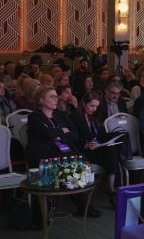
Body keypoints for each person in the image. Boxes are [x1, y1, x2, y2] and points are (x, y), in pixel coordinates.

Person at [27, 86, 101, 218]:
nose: (56, 99)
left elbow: (75, 134)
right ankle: (46, 209)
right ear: (41, 100)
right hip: (46, 153)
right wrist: (62, 131)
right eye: (52, 97)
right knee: (65, 163)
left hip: (65, 150)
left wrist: (57, 136)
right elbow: (45, 133)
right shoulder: (34, 117)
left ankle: (84, 205)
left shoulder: (61, 115)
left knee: (80, 161)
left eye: (56, 96)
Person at [71, 91, 125, 209]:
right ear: (84, 103)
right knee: (113, 157)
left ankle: (112, 189)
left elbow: (99, 135)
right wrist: (86, 145)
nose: (94, 109)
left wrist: (103, 142)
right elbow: (73, 139)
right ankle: (112, 191)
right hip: (83, 151)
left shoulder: (94, 117)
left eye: (96, 106)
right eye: (92, 106)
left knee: (112, 151)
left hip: (96, 149)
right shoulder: (75, 117)